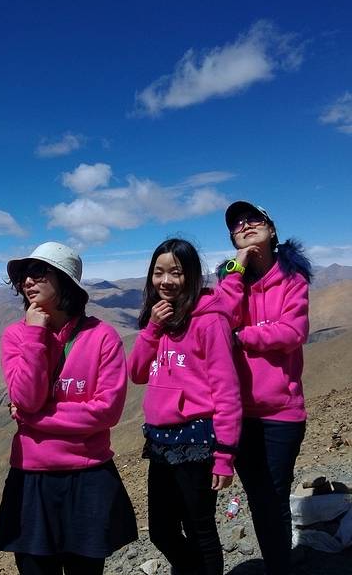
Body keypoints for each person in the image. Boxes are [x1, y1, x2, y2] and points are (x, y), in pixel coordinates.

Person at [0, 241, 137, 575]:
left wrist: (33, 419)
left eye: (38, 271)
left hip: (88, 477)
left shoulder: (102, 336)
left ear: (65, 280)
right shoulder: (17, 335)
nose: (28, 281)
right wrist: (35, 335)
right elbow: (27, 397)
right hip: (31, 478)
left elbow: (106, 412)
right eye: (24, 275)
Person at [128, 238, 241, 575]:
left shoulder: (210, 320)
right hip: (160, 440)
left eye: (175, 272)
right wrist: (152, 328)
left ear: (191, 275)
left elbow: (227, 390)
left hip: (197, 439)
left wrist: (225, 455)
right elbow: (136, 373)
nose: (166, 281)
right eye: (158, 272)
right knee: (161, 531)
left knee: (199, 529)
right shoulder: (160, 319)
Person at [216, 201, 312, 575]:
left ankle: (278, 565)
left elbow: (293, 332)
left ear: (272, 230)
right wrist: (236, 270)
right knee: (258, 497)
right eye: (237, 224)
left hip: (281, 412)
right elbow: (219, 322)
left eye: (253, 219)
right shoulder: (230, 280)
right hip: (237, 412)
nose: (245, 225)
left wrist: (243, 337)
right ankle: (278, 561)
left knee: (273, 494)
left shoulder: (292, 279)